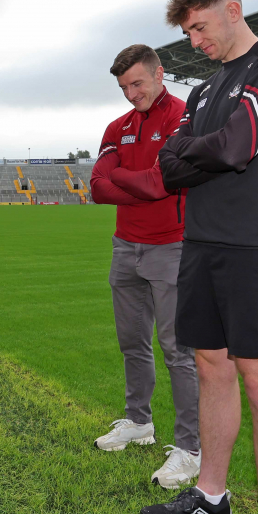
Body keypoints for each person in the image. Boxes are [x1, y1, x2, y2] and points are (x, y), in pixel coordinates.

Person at [113, 0, 258, 514]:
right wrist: (199, 150)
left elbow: (238, 147)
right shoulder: (203, 90)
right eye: (187, 31)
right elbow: (171, 165)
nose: (194, 41)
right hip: (200, 242)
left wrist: (197, 151)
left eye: (200, 27)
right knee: (211, 366)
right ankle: (211, 498)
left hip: (257, 245)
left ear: (233, 10)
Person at [89, 44, 201, 489]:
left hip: (171, 246)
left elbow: (162, 183)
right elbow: (98, 188)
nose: (131, 93)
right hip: (125, 246)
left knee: (178, 351)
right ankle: (139, 422)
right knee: (132, 342)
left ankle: (190, 448)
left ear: (160, 74)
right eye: (123, 87)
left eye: (137, 83)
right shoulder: (118, 126)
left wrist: (128, 179)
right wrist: (142, 184)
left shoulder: (183, 118)